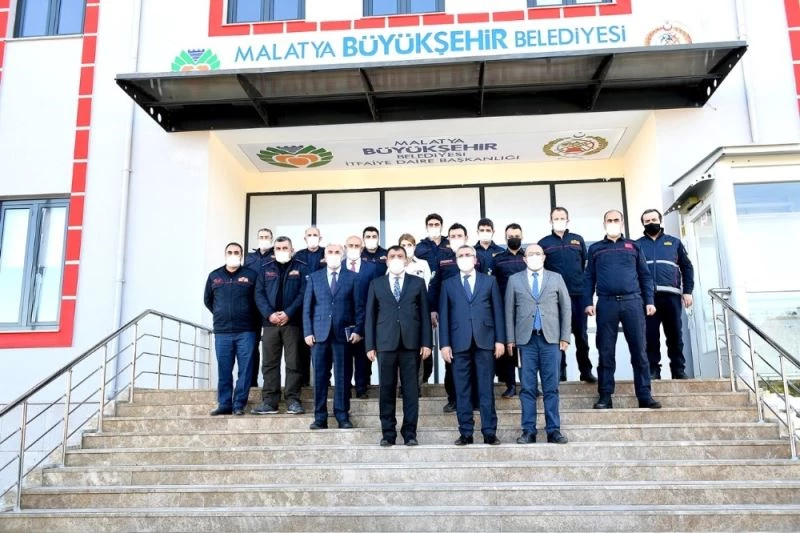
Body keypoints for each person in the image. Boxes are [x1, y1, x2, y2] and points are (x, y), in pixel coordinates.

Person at [584, 210, 661, 410]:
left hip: (632, 302)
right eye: (609, 220)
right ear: (604, 224)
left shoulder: (633, 246)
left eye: (616, 220)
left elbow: (645, 276)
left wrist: (649, 301)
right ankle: (605, 396)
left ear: (622, 223)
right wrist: (588, 302)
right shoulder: (595, 249)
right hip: (606, 303)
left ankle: (644, 396)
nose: (613, 223)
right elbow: (589, 277)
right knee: (605, 351)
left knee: (639, 351)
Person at [366, 246, 432, 447]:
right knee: (386, 390)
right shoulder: (376, 283)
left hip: (411, 344)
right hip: (385, 343)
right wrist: (370, 345)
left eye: (400, 256)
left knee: (411, 391)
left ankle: (410, 433)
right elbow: (370, 316)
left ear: (406, 260)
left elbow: (424, 315)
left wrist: (426, 342)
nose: (396, 259)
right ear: (387, 261)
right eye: (392, 256)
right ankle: (388, 433)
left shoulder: (417, 282)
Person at [439, 245, 505, 445]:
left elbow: (498, 312)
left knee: (486, 389)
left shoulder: (489, 281)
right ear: (456, 260)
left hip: (485, 341)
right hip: (458, 343)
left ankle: (489, 431)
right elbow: (444, 316)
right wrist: (444, 344)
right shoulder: (448, 284)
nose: (464, 257)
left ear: (476, 260)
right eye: (460, 255)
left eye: (468, 255)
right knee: (462, 390)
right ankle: (466, 432)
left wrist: (500, 340)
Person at [505, 244, 571, 444]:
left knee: (551, 387)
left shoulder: (556, 278)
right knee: (527, 388)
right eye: (530, 254)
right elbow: (509, 311)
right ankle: (528, 431)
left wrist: (565, 336)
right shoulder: (514, 280)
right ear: (524, 259)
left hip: (551, 340)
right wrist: (510, 339)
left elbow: (566, 308)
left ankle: (553, 430)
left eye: (538, 253)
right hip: (525, 342)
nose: (534, 256)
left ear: (543, 257)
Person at [303, 243, 365, 430]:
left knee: (343, 377)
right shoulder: (314, 277)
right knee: (320, 378)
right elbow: (307, 308)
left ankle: (342, 415)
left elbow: (359, 308)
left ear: (343, 255)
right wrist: (308, 332)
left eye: (337, 252)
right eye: (330, 252)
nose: (334, 254)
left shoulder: (353, 277)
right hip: (319, 335)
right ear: (325, 255)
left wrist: (358, 330)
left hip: (342, 336)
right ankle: (320, 417)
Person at [538, 207, 597, 384]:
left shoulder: (577, 240)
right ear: (550, 221)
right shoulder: (544, 243)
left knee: (581, 335)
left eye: (562, 218)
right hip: (554, 298)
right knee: (557, 337)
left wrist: (588, 299)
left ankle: (585, 371)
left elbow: (586, 269)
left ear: (568, 220)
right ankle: (560, 373)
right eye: (556, 218)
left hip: (578, 295)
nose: (559, 221)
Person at [252, 236, 309, 415]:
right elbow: (259, 294)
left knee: (293, 363)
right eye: (278, 248)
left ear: (292, 250)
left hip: (293, 323)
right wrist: (269, 314)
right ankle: (270, 401)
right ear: (274, 250)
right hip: (270, 324)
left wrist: (288, 313)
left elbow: (303, 293)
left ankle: (293, 400)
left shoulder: (301, 267)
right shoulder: (265, 268)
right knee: (269, 363)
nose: (281, 251)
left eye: (285, 248)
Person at [427, 223, 480, 413]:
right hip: (451, 316)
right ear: (448, 239)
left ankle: (475, 400)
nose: (456, 238)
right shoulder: (442, 259)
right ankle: (453, 399)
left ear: (466, 237)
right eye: (453, 236)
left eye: (459, 235)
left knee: (475, 361)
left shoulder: (476, 257)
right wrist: (433, 309)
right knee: (451, 360)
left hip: (474, 318)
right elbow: (434, 285)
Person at [637, 209, 695, 380]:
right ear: (643, 224)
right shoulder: (637, 245)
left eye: (654, 219)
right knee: (650, 336)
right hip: (647, 298)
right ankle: (653, 370)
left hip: (671, 296)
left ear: (660, 220)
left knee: (675, 335)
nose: (651, 223)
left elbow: (687, 267)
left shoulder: (674, 242)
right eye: (647, 221)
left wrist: (687, 291)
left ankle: (678, 369)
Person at [203, 243, 260, 416]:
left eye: (236, 252)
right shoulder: (214, 276)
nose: (233, 254)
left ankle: (239, 404)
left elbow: (258, 300)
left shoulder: (251, 275)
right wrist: (221, 314)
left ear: (241, 255)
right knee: (224, 370)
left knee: (245, 370)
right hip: (223, 332)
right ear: (225, 254)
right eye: (230, 252)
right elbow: (208, 300)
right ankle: (225, 403)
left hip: (246, 331)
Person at [492, 223, 527, 398]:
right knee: (509, 349)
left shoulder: (527, 257)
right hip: (505, 309)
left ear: (522, 236)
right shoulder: (498, 259)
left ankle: (529, 384)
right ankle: (511, 385)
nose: (514, 238)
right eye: (511, 236)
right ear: (505, 237)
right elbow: (492, 284)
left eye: (517, 236)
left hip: (526, 309)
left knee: (527, 349)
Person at [344, 235, 379, 398]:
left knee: (362, 358)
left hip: (364, 319)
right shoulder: (339, 266)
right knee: (344, 359)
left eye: (356, 245)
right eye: (350, 245)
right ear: (345, 247)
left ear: (362, 247)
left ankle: (361, 388)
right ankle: (345, 389)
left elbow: (374, 296)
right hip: (342, 321)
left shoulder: (371, 268)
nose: (353, 248)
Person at [399, 233, 433, 390]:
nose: (407, 248)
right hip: (399, 313)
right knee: (399, 350)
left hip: (417, 311)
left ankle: (416, 386)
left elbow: (426, 287)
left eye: (409, 245)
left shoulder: (423, 264)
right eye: (403, 245)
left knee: (417, 351)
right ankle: (401, 386)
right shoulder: (394, 263)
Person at [295, 226, 325, 387]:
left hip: (321, 306)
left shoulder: (326, 253)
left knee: (321, 347)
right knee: (302, 346)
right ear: (305, 238)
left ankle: (324, 381)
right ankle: (304, 382)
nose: (312, 237)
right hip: (302, 305)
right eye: (309, 235)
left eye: (315, 235)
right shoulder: (298, 256)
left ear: (320, 238)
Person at [244, 227, 273, 387]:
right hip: (252, 308)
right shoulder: (249, 258)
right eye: (261, 237)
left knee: (273, 346)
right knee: (252, 346)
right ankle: (252, 382)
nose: (264, 239)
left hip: (271, 307)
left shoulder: (276, 255)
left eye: (267, 237)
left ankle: (271, 383)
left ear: (271, 239)